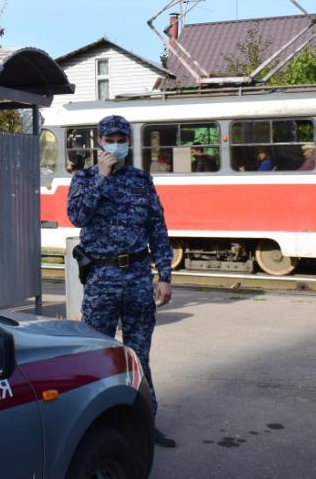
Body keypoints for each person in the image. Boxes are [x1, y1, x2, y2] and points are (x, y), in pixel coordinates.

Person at [68, 115, 176, 448]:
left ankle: (146, 423)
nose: (116, 144)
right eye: (110, 138)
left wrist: (165, 276)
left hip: (138, 277)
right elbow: (77, 216)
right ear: (98, 142)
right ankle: (95, 424)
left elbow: (157, 228)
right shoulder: (85, 178)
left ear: (128, 141)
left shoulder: (141, 180)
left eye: (121, 138)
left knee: (138, 355)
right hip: (102, 278)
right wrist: (101, 177)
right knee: (98, 354)